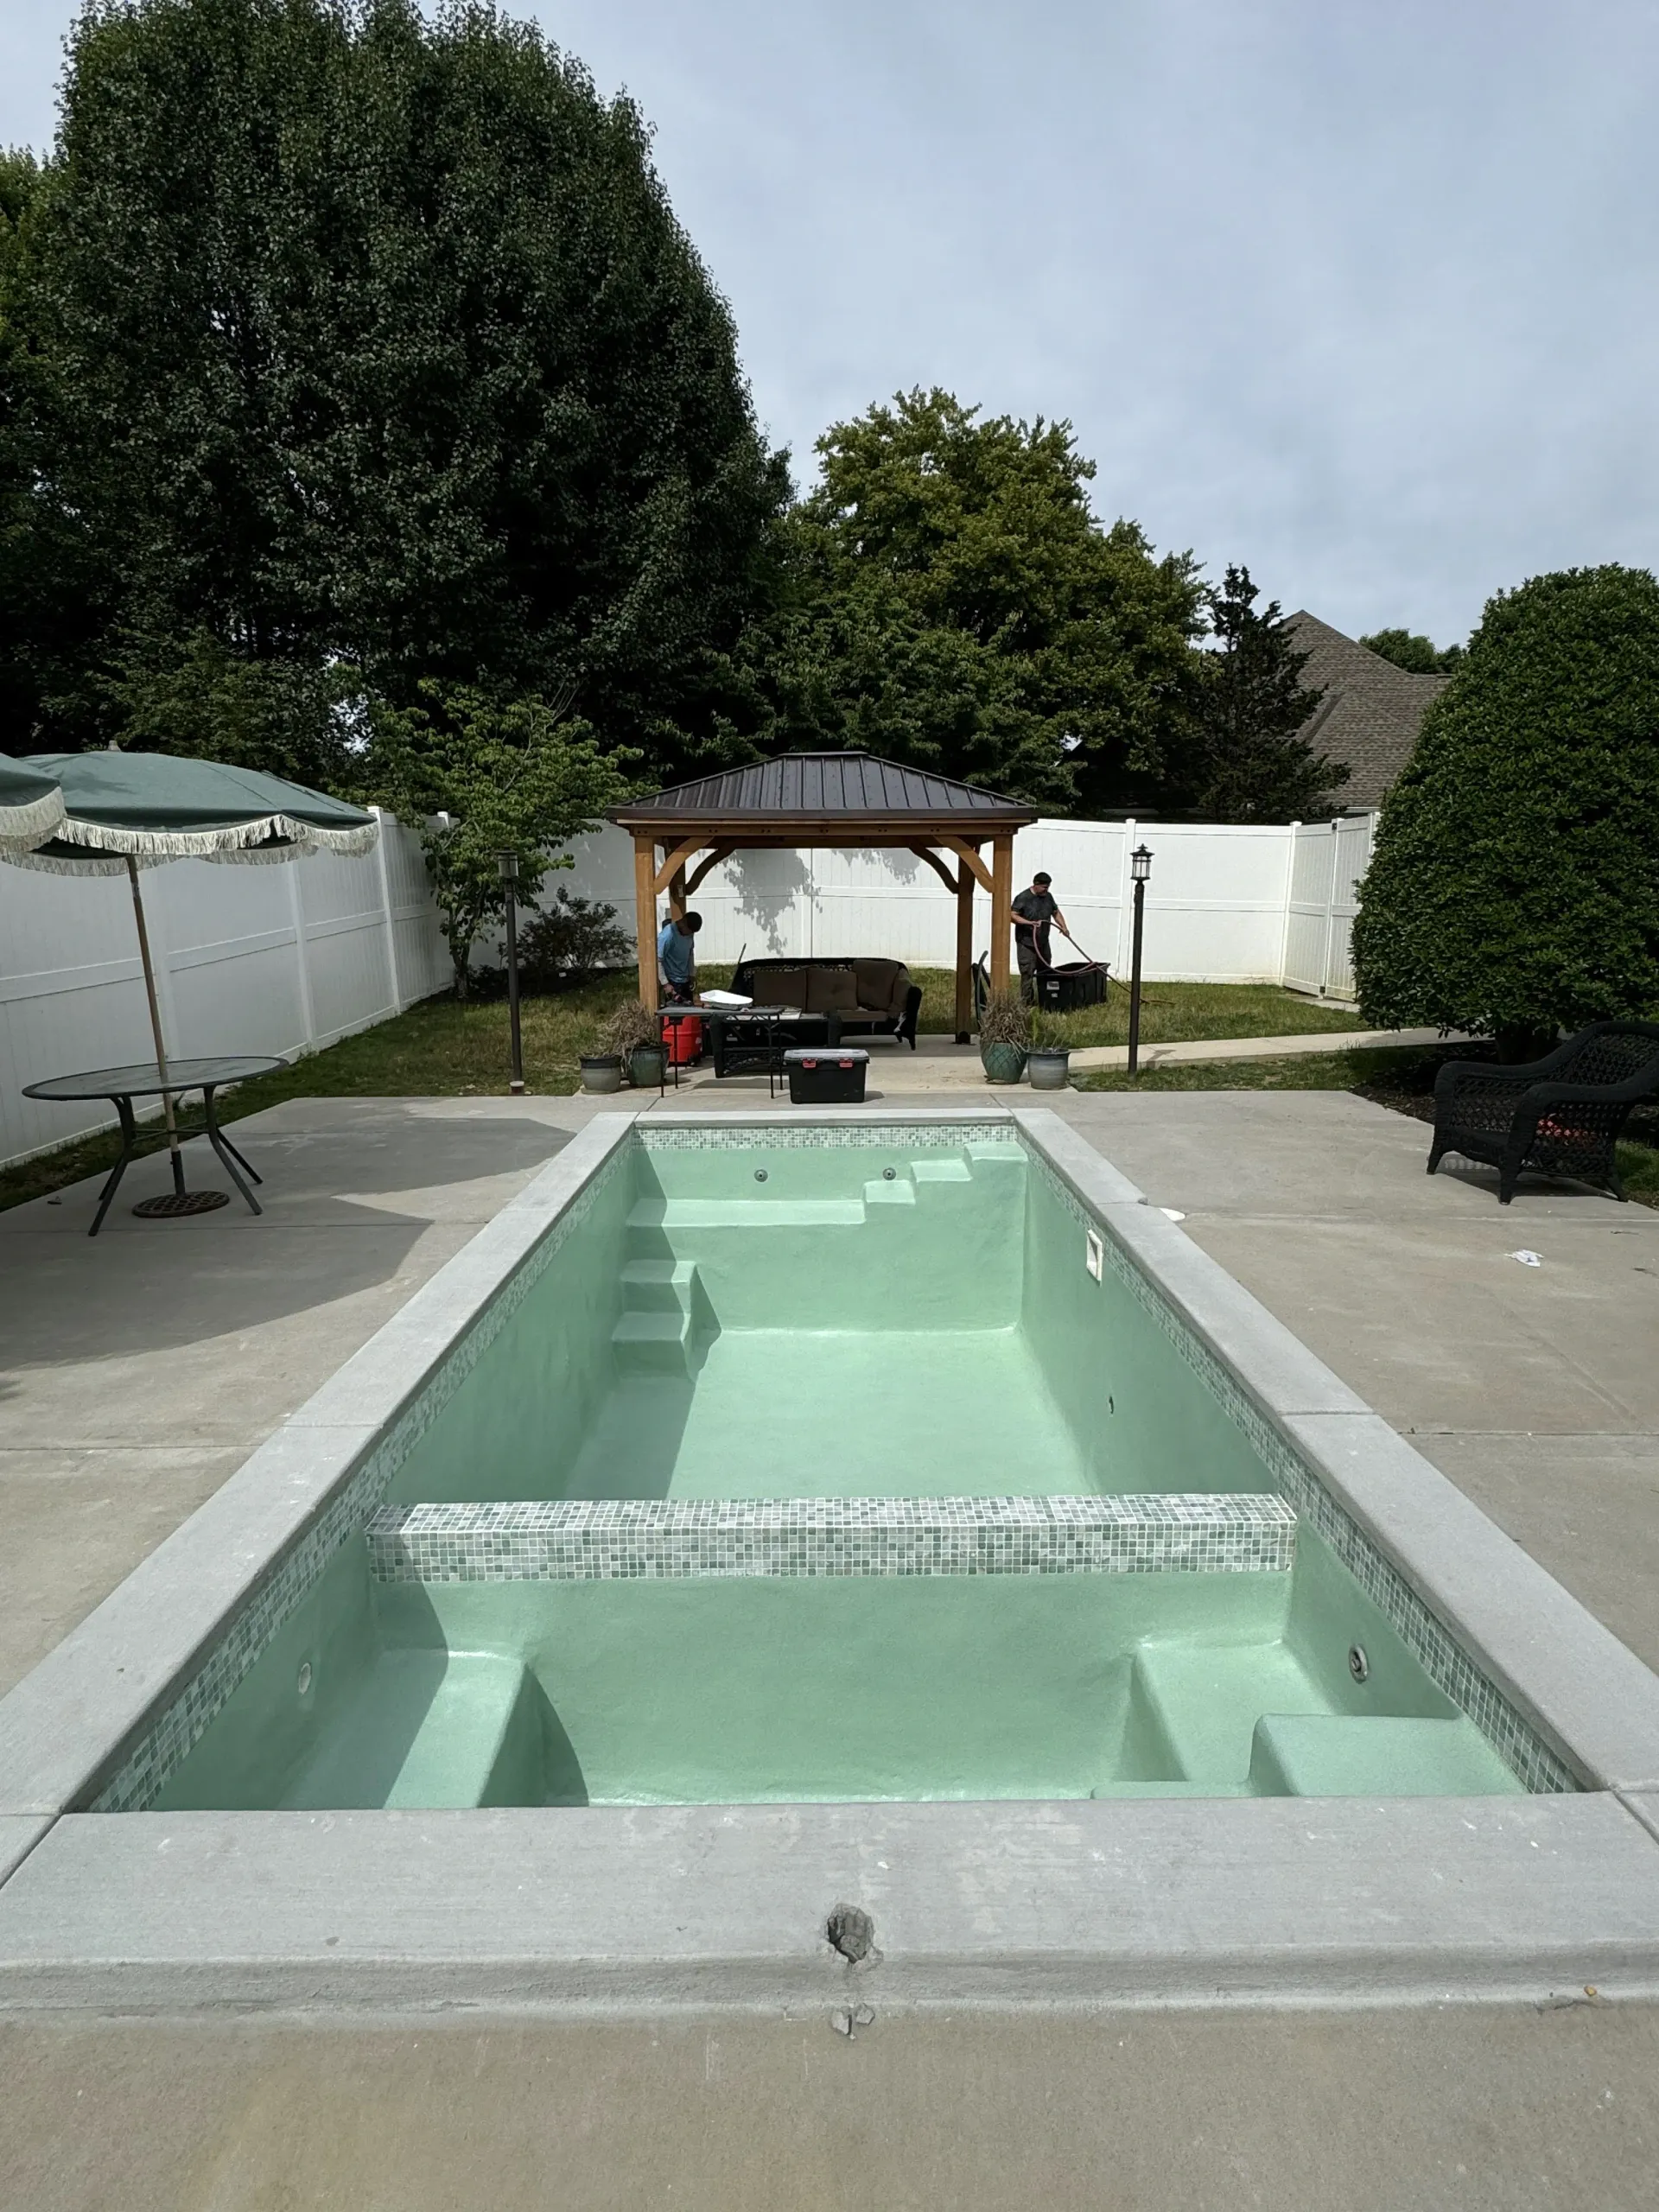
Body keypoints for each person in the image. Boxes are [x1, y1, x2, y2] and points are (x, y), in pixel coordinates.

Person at [1010, 872, 1068, 1004]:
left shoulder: (1048, 897)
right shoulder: (1023, 898)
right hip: (1027, 943)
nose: (1046, 890)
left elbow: (1055, 912)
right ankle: (1026, 1003)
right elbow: (1012, 915)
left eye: (1048, 887)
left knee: (1046, 971)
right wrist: (1029, 923)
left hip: (1043, 942)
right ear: (1035, 885)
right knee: (1027, 972)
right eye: (1044, 887)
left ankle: (1046, 1000)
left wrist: (1063, 927)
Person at [657, 910, 702, 1002]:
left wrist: (691, 974)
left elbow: (690, 953)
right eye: (689, 931)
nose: (690, 934)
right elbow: (658, 960)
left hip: (685, 980)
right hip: (672, 983)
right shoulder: (668, 935)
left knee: (689, 1009)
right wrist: (665, 983)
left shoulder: (689, 933)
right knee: (675, 1011)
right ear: (683, 923)